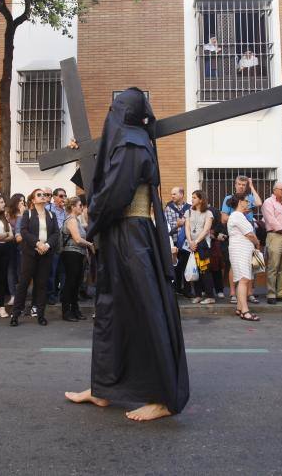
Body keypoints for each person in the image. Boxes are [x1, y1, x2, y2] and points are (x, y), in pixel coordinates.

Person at [64, 88, 189, 422]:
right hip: (121, 235)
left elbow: (114, 194)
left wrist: (92, 223)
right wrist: (84, 160)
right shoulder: (129, 141)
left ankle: (163, 398)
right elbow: (102, 181)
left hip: (132, 236)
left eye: (113, 110)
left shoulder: (133, 144)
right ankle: (105, 388)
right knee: (111, 312)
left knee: (146, 313)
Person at [10, 188, 59, 326]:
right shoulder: (28, 214)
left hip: (46, 253)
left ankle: (41, 315)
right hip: (30, 253)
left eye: (44, 195)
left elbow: (56, 233)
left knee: (42, 284)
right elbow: (24, 231)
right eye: (39, 195)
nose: (43, 196)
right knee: (24, 283)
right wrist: (37, 243)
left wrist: (47, 245)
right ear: (33, 200)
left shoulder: (51, 215)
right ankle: (15, 314)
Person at [221, 176, 262, 304]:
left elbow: (259, 203)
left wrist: (252, 187)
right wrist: (239, 215)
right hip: (237, 236)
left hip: (250, 233)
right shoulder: (229, 199)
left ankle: (249, 293)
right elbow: (223, 218)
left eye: (244, 185)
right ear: (235, 184)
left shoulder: (249, 198)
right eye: (239, 184)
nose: (241, 186)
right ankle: (233, 293)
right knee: (234, 265)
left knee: (251, 265)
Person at [226, 194, 260, 321]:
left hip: (241, 249)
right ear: (240, 202)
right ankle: (245, 311)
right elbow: (249, 234)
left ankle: (240, 308)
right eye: (246, 201)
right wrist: (257, 242)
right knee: (244, 279)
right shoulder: (237, 215)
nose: (248, 203)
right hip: (240, 249)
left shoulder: (237, 215)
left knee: (243, 278)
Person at [59, 196, 93, 322]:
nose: (81, 207)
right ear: (73, 207)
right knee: (71, 283)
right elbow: (78, 239)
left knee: (76, 283)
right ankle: (66, 311)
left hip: (78, 254)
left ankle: (75, 309)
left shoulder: (77, 220)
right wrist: (90, 245)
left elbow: (86, 227)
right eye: (79, 205)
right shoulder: (72, 220)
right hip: (71, 254)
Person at [184, 190, 215, 304]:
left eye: (195, 197)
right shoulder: (188, 212)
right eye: (192, 197)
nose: (192, 199)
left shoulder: (208, 213)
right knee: (194, 269)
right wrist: (190, 241)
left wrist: (196, 241)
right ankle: (198, 295)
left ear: (201, 200)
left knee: (205, 270)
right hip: (191, 244)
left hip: (202, 244)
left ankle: (210, 296)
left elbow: (206, 229)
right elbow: (187, 227)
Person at [164, 187, 192, 297]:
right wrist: (178, 225)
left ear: (181, 194)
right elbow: (167, 227)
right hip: (174, 242)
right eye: (172, 194)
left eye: (174, 194)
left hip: (186, 242)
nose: (172, 196)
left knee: (186, 266)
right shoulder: (168, 208)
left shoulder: (190, 208)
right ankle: (175, 289)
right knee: (175, 266)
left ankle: (187, 290)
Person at [45, 187, 67, 305]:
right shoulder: (48, 208)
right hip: (52, 244)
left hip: (64, 244)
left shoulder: (66, 211)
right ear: (54, 197)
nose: (63, 198)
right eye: (60, 196)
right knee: (52, 271)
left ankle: (62, 294)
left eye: (64, 196)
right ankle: (50, 295)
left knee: (62, 271)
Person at [5, 193, 26, 307]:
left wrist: (22, 214)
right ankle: (13, 295)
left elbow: (23, 229)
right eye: (20, 201)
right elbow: (10, 229)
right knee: (11, 270)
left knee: (21, 270)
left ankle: (20, 295)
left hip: (22, 245)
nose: (22, 203)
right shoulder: (8, 213)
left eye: (23, 201)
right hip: (10, 244)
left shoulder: (26, 213)